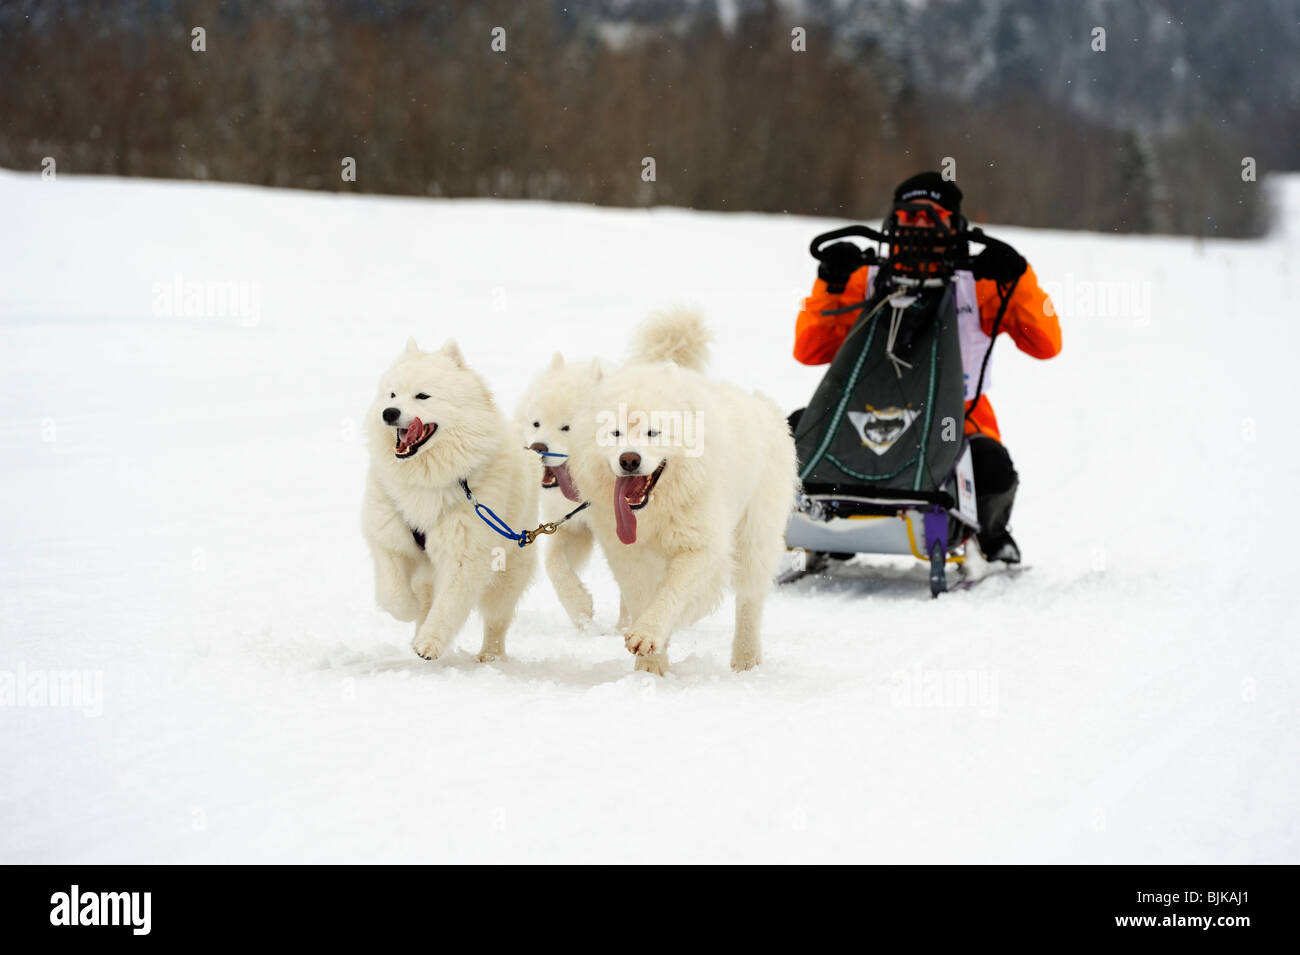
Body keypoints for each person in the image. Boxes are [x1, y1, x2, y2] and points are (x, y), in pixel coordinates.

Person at [792, 171, 1061, 563]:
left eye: (930, 217)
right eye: (910, 217)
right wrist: (829, 284)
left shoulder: (978, 283)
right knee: (790, 434)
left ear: (953, 225)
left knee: (991, 466)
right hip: (864, 415)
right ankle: (825, 524)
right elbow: (809, 349)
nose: (919, 227)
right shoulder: (864, 277)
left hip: (955, 419)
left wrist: (1018, 282)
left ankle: (988, 532)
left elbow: (1046, 343)